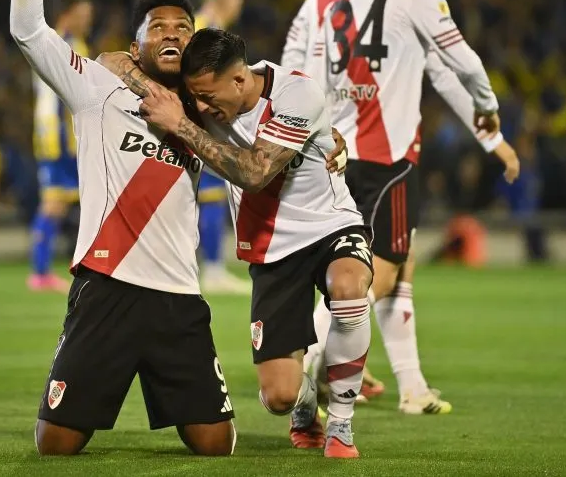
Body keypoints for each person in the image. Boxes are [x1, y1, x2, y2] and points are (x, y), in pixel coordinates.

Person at [12, 0, 235, 457]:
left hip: (177, 296)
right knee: (55, 444)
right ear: (134, 45)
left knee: (217, 444)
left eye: (182, 28)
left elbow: (268, 100)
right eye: (157, 27)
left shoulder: (208, 110)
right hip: (106, 285)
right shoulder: (95, 87)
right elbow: (28, 32)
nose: (171, 34)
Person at [283, 0, 522, 412]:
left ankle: (411, 387)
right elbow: (459, 67)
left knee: (402, 261)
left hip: (329, 153)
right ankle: (314, 362)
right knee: (379, 273)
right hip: (386, 158)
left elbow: (291, 68)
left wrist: (294, 136)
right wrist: (491, 116)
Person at [105, 29, 374, 459]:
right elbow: (110, 61)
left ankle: (341, 424)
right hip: (271, 252)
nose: (204, 107)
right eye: (196, 98)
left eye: (210, 98)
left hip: (330, 226)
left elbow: (253, 173)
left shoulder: (296, 94)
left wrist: (181, 126)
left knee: (348, 288)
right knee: (278, 397)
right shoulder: (203, 97)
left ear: (239, 79)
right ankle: (306, 406)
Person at [28, 0, 94, 292]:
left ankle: (60, 267)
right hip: (58, 137)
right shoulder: (60, 43)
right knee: (54, 203)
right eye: (83, 15)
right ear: (68, 14)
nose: (87, 20)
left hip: (65, 136)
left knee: (67, 203)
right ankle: (39, 272)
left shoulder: (70, 42)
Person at [193, 0, 248, 294]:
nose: (238, 12)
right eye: (236, 5)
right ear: (222, 2)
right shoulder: (208, 30)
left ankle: (209, 265)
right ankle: (212, 268)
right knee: (212, 195)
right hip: (205, 123)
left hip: (198, 120)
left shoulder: (197, 25)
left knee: (203, 196)